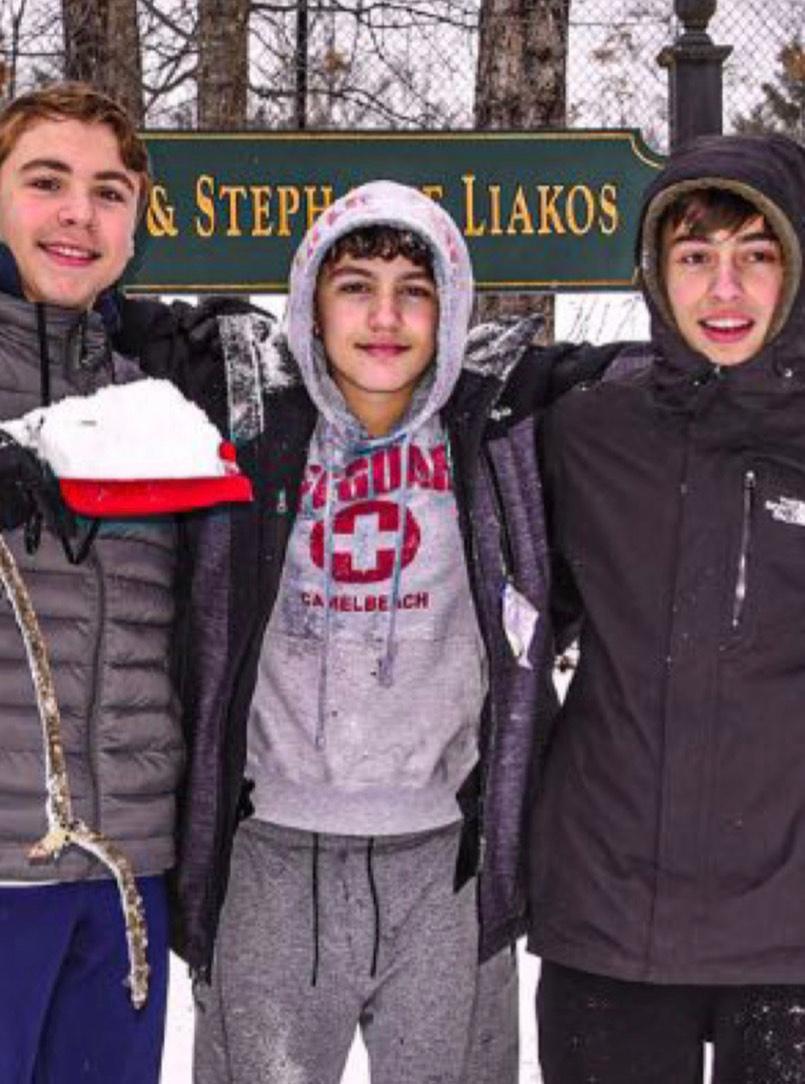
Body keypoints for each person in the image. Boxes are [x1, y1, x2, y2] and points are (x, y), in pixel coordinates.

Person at [166, 178, 622, 1084]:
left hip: (445, 864)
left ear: (448, 309)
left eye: (414, 291)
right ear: (310, 303)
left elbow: (668, 375)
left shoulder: (500, 426)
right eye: (354, 287)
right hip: (270, 854)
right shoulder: (247, 415)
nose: (384, 317)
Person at [530, 132, 805, 1083]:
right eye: (694, 257)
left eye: (755, 255)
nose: (724, 290)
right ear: (654, 272)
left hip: (789, 936)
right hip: (608, 922)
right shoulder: (587, 434)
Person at [0, 82, 224, 1084]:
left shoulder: (158, 393)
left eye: (108, 192)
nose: (77, 215)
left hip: (123, 873)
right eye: (46, 182)